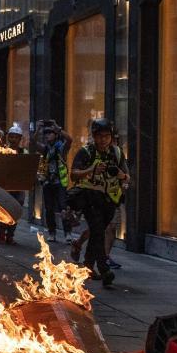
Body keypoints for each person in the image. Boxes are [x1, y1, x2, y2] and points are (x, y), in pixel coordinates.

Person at [67, 118, 128, 286]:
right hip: (90, 199)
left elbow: (127, 177)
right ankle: (104, 268)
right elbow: (74, 174)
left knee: (97, 232)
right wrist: (91, 170)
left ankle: (87, 265)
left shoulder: (116, 153)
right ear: (93, 136)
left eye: (106, 136)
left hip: (109, 200)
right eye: (99, 136)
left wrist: (122, 178)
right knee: (98, 231)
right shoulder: (85, 152)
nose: (103, 140)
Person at [36, 123, 73, 243]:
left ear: (56, 135)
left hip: (60, 182)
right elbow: (33, 143)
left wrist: (59, 129)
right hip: (48, 183)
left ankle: (67, 232)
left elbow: (69, 139)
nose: (47, 136)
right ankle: (52, 232)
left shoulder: (60, 147)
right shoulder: (46, 149)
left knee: (63, 208)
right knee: (49, 209)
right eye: (45, 134)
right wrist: (38, 129)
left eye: (50, 133)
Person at [0, 124, 28, 245]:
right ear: (8, 138)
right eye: (12, 137)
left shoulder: (24, 152)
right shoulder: (3, 151)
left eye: (16, 137)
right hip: (5, 186)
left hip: (19, 187)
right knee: (3, 210)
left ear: (20, 139)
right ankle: (1, 234)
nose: (14, 139)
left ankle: (10, 236)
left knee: (15, 212)